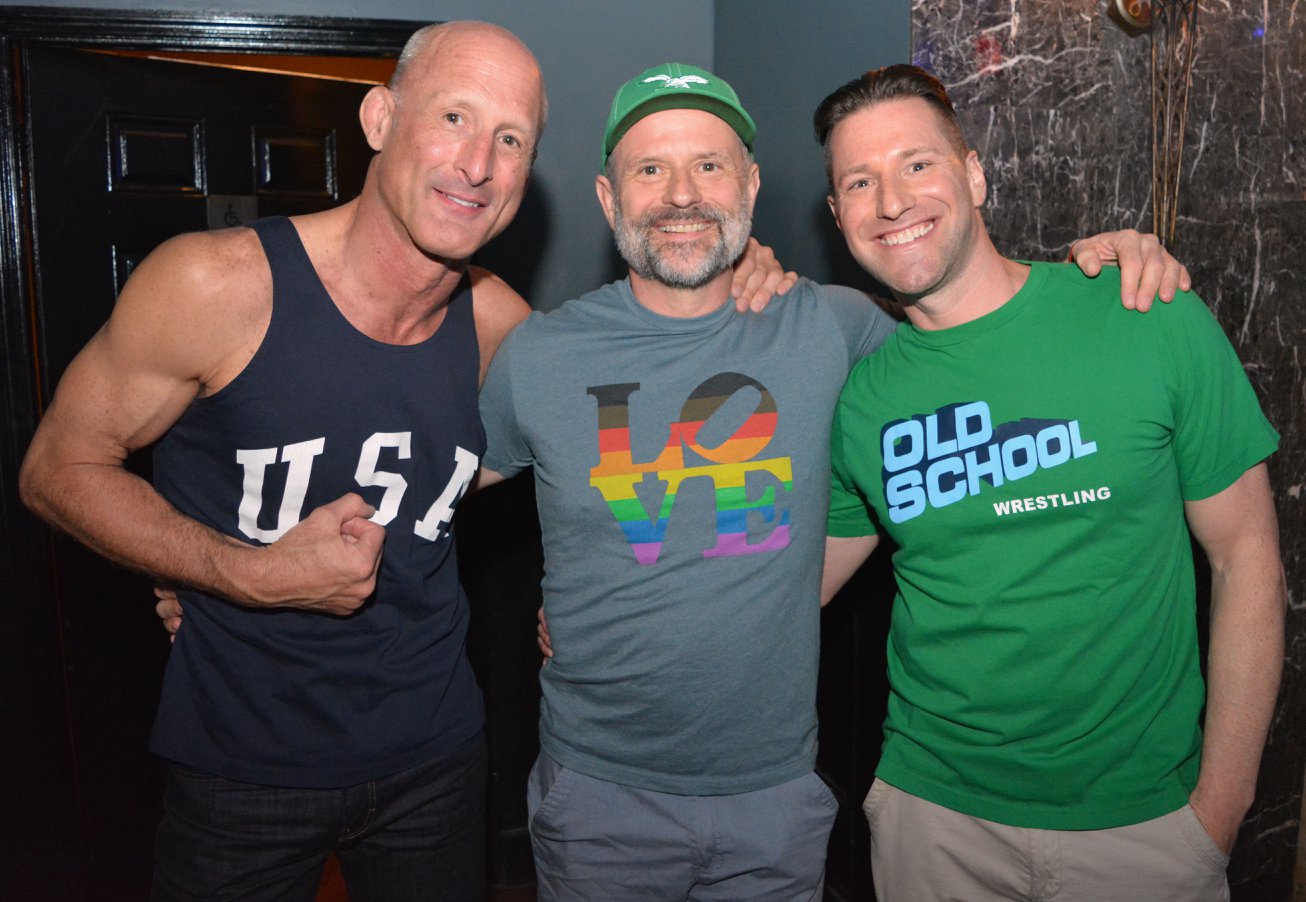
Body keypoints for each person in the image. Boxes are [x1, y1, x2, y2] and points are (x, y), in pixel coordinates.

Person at [481, 62, 1190, 902]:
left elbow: (974, 330)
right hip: (599, 795)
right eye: (650, 170)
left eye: (708, 165)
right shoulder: (540, 356)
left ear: (749, 187)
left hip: (777, 797)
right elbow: (438, 501)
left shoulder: (835, 326)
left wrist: (1093, 267)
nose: (682, 195)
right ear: (608, 199)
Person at [18, 21, 544, 902]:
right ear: (380, 119)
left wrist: (748, 281)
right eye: (454, 117)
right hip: (241, 768)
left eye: (512, 139)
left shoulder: (504, 330)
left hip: (437, 760)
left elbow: (612, 441)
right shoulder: (214, 285)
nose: (478, 164)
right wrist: (238, 572)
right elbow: (58, 469)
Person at [816, 65, 1286, 901]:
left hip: (1145, 825)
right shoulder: (863, 399)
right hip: (935, 824)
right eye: (860, 181)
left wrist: (1221, 806)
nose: (891, 201)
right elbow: (783, 588)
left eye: (917, 164)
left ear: (974, 175)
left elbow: (1247, 555)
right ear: (837, 214)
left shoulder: (1144, 312)